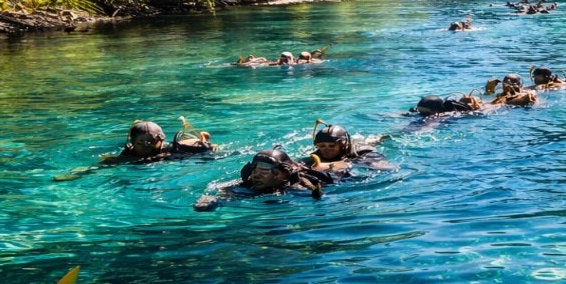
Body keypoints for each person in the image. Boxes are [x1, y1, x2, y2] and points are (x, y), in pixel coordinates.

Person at [193, 149, 332, 211]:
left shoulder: (301, 187)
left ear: (282, 175)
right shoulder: (248, 185)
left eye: (264, 172)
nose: (256, 176)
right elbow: (225, 194)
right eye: (254, 171)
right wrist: (212, 200)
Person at [304, 121, 394, 175]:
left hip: (357, 146)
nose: (326, 149)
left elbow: (389, 168)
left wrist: (347, 164)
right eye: (322, 146)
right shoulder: (317, 155)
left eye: (331, 146)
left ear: (342, 145)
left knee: (373, 141)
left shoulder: (362, 152)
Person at [109, 120, 214, 161]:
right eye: (140, 143)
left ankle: (203, 135)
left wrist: (206, 145)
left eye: (150, 142)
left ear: (161, 140)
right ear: (132, 142)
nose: (145, 146)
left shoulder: (175, 149)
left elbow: (209, 150)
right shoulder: (128, 154)